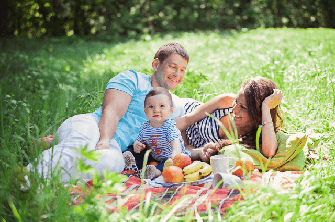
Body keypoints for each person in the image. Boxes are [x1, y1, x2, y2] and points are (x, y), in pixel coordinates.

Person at [27, 43, 194, 182]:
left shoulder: (173, 105)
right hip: (93, 126)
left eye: (182, 70)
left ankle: (44, 180)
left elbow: (176, 134)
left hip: (115, 145)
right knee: (81, 144)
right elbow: (113, 110)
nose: (177, 74)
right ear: (156, 65)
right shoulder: (132, 78)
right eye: (172, 67)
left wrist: (202, 150)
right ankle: (27, 177)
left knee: (112, 163)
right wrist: (104, 140)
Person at [178, 76, 284, 162]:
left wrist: (265, 107)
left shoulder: (253, 137)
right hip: (177, 114)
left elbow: (269, 152)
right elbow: (187, 120)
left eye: (243, 107)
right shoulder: (226, 102)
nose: (234, 109)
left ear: (258, 114)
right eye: (236, 101)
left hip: (180, 145)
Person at [125, 87, 191, 179]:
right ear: (145, 111)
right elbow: (139, 140)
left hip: (172, 158)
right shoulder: (145, 126)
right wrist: (137, 145)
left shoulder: (168, 126)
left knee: (166, 165)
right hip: (154, 156)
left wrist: (175, 153)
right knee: (132, 148)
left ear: (170, 111)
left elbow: (175, 141)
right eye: (151, 106)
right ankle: (131, 162)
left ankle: (154, 172)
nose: (156, 110)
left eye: (162, 106)